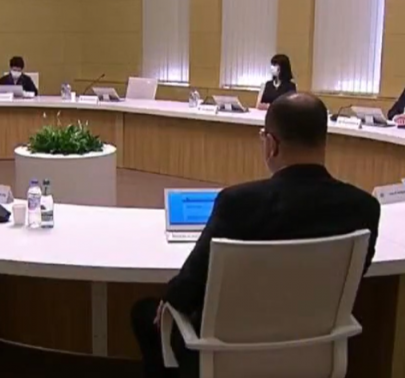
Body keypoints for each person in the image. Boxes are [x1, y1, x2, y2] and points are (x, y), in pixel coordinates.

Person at [131, 92, 381, 378]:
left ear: (271, 144)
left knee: (144, 312)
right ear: (324, 141)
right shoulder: (364, 208)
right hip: (315, 353)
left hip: (226, 356)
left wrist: (170, 298)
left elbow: (188, 288)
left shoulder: (238, 203)